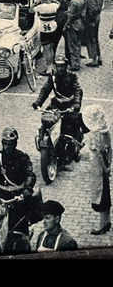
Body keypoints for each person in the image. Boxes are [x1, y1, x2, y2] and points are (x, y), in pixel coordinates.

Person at [32, 55, 83, 144]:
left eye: (62, 66)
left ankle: (75, 141)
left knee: (73, 121)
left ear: (66, 66)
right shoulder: (53, 77)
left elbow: (77, 90)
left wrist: (76, 103)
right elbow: (45, 90)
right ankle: (43, 137)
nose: (60, 69)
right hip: (57, 104)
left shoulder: (72, 76)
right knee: (46, 118)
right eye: (58, 66)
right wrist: (38, 102)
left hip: (69, 105)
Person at [82, 104, 112, 235]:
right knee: (106, 192)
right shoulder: (105, 131)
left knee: (99, 195)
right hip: (106, 164)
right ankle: (106, 221)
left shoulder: (94, 135)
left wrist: (104, 168)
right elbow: (110, 148)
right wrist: (109, 165)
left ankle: (102, 224)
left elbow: (97, 154)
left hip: (98, 168)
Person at [29, 0, 59, 74]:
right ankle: (52, 67)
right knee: (52, 49)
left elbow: (30, 10)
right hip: (53, 27)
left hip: (44, 29)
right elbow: (59, 4)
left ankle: (49, 68)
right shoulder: (54, 6)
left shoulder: (40, 7)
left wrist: (36, 2)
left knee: (46, 50)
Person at [80, 0, 103, 67]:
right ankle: (99, 57)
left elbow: (92, 10)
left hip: (91, 20)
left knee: (91, 39)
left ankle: (94, 59)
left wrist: (89, 20)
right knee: (95, 38)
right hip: (97, 18)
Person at [63, 0, 86, 71]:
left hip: (74, 24)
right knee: (78, 43)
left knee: (72, 44)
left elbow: (70, 16)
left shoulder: (73, 2)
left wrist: (65, 26)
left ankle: (75, 64)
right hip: (80, 22)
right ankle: (77, 61)